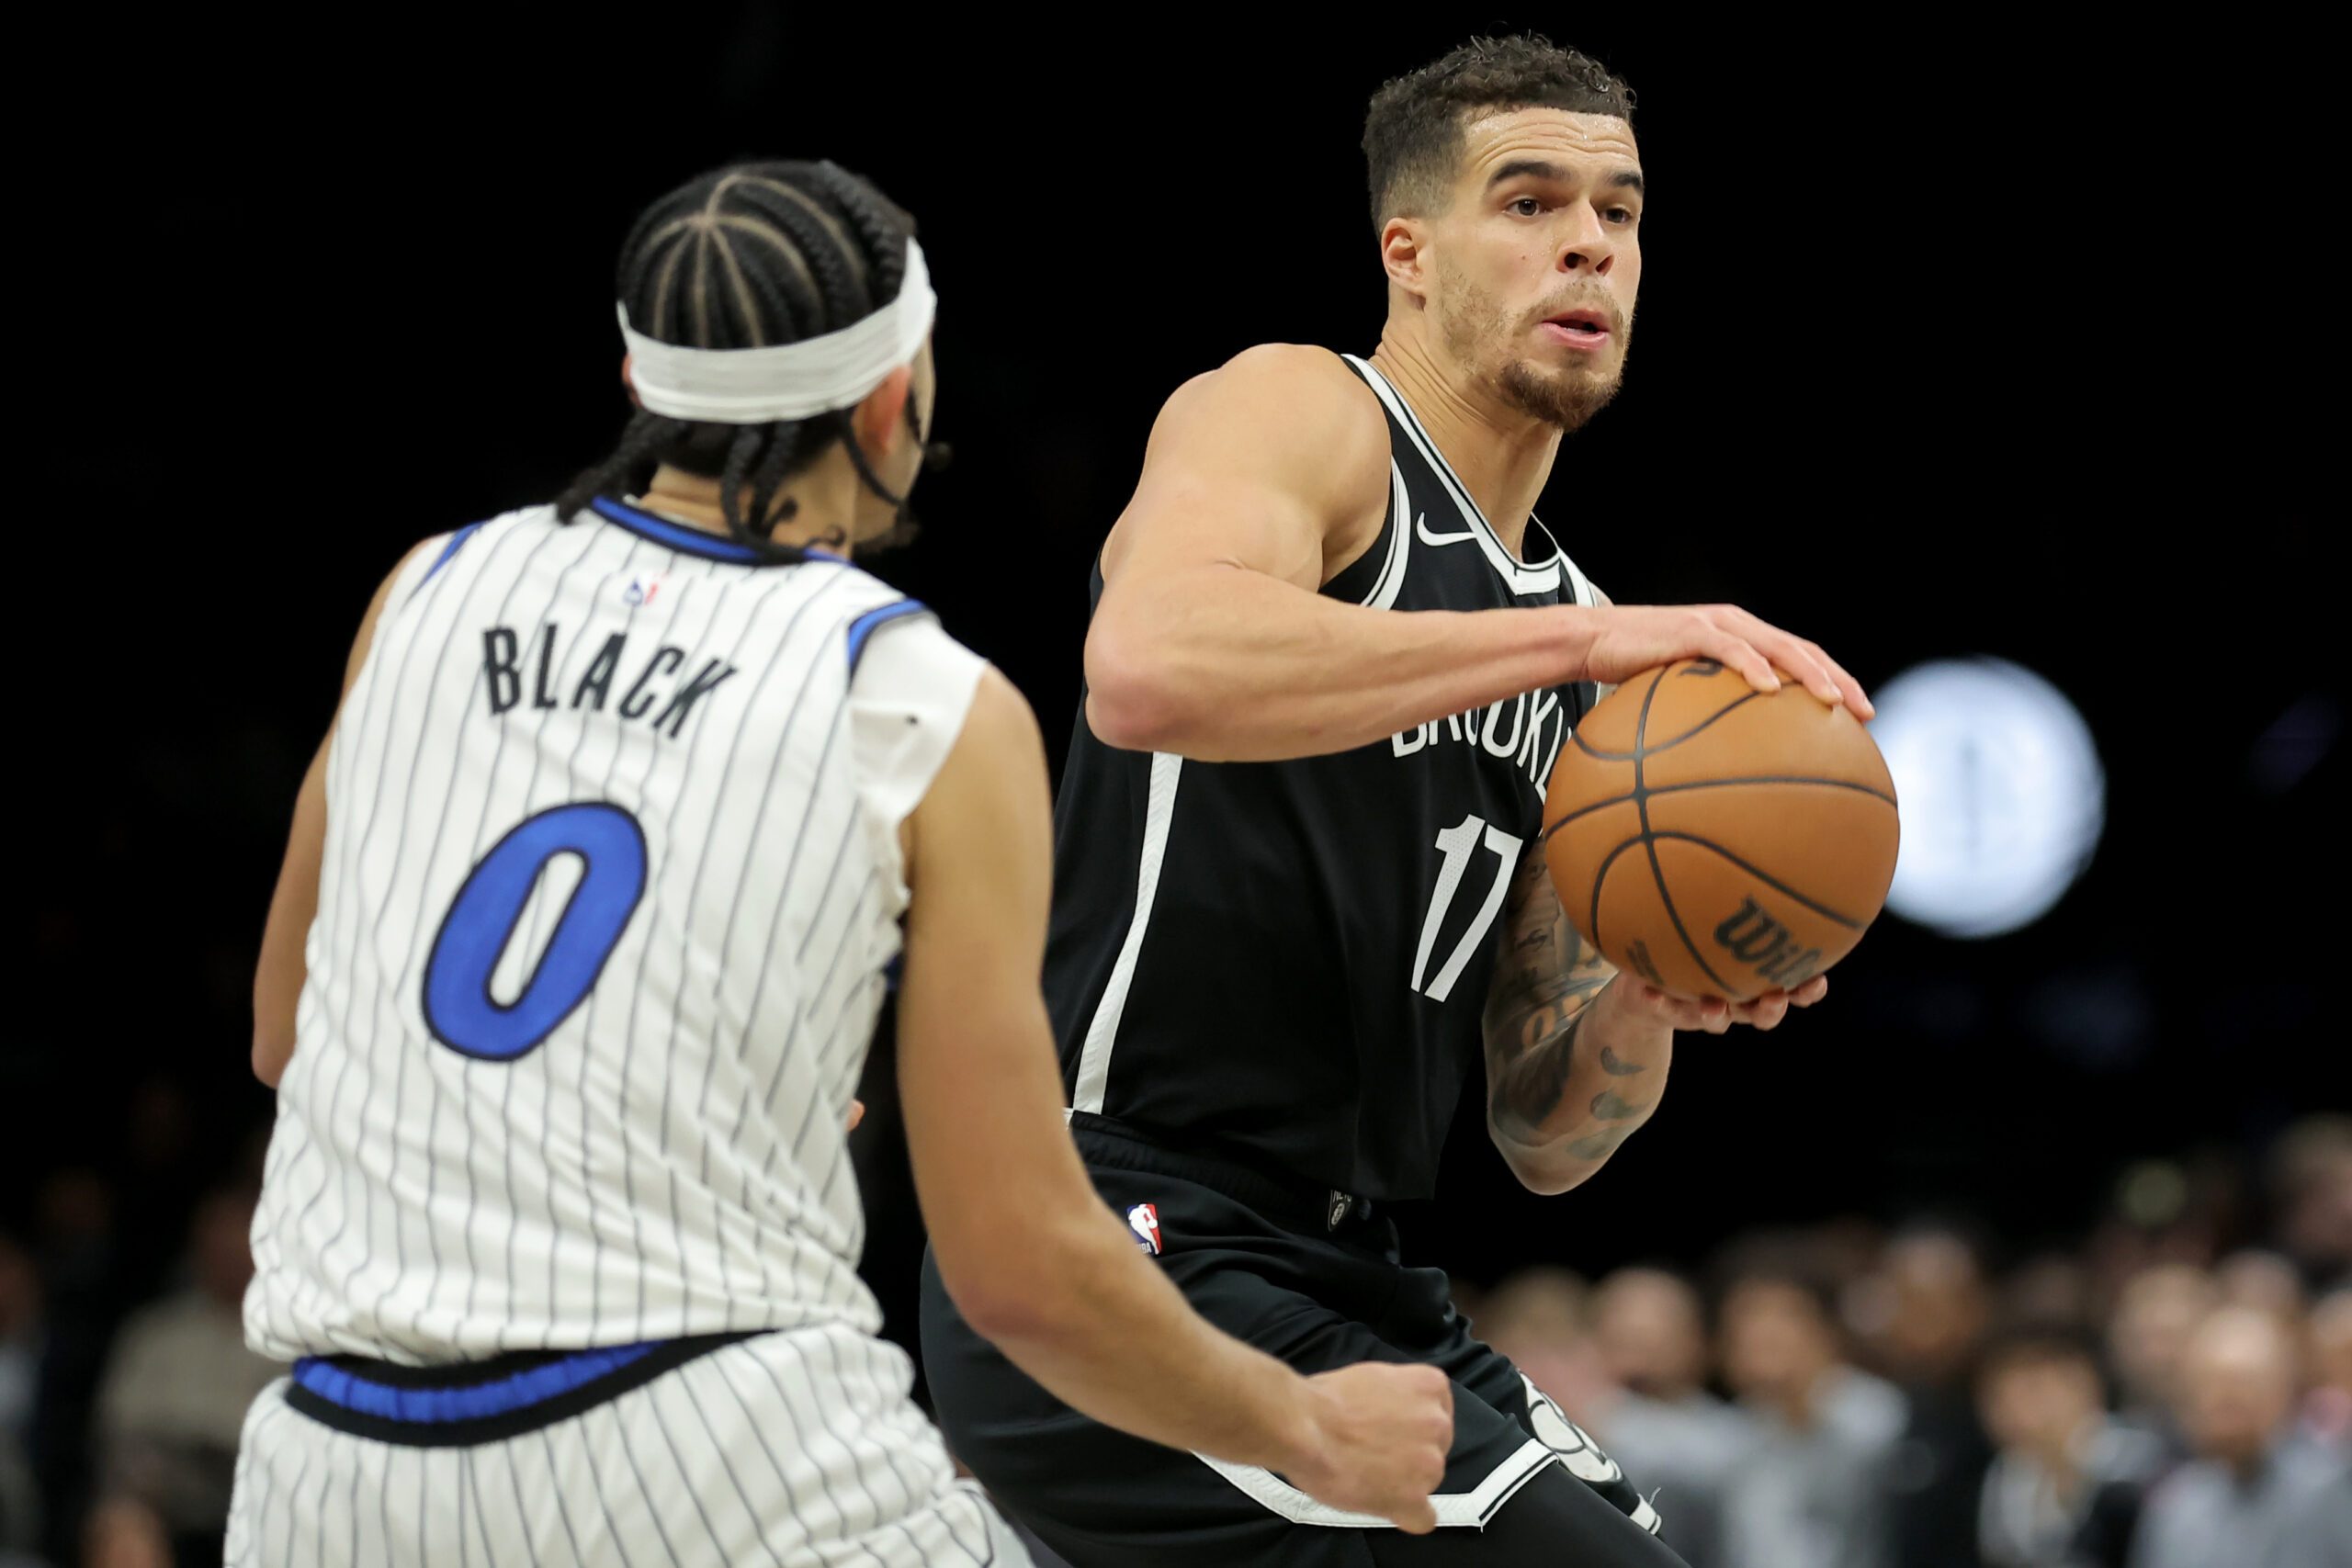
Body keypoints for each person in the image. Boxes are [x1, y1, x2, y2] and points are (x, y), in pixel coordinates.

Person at [226, 159, 1449, 1568]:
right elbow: (1022, 1273)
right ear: (892, 396)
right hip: (713, 1451)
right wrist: (1303, 1423)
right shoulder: (921, 697)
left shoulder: (427, 587)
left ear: (642, 382)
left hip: (331, 1469)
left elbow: (285, 1033)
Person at [921, 32, 1872, 1568]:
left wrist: (1650, 989)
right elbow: (1146, 663)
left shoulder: (1590, 664)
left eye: (1620, 213)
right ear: (1408, 251)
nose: (1588, 242)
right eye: (1532, 200)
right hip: (1116, 1230)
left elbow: (1542, 1129)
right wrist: (1581, 640)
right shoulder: (1307, 414)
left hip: (1356, 1276)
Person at [1714, 1247, 1905, 1568]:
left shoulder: (1880, 1420)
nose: (1758, 1333)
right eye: (1744, 1319)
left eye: (1780, 1315)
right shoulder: (1739, 1433)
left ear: (1827, 1327)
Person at [2128, 1305, 2348, 1568]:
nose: (2224, 1402)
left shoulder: (2331, 1493)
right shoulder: (2175, 1506)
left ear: (2282, 1392)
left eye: (2242, 1386)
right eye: (2210, 1387)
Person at [1588, 1268, 1748, 1567]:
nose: (1638, 1358)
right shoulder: (1571, 1426)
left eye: (1651, 1338)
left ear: (1696, 1341)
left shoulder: (1736, 1434)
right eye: (1623, 1338)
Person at [1973, 1322, 2164, 1568]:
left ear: (2083, 1384)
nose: (2014, 1410)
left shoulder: (2138, 1462)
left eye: (2032, 1390)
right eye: (1999, 1397)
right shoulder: (2007, 1476)